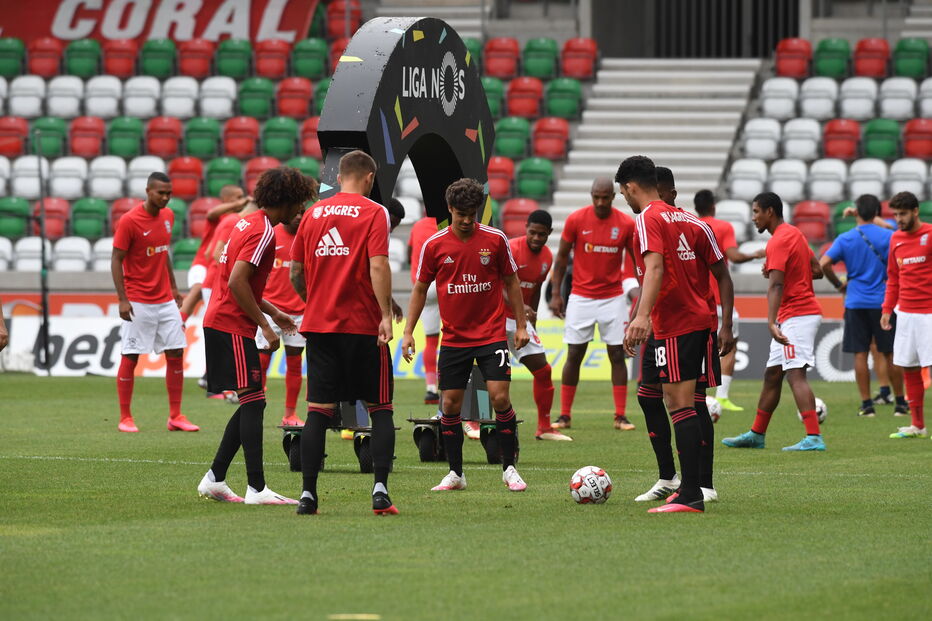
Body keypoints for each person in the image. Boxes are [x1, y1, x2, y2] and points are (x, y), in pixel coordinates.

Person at [618, 156, 733, 514]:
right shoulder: (692, 221)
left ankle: (692, 493)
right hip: (695, 322)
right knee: (677, 400)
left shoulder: (647, 218)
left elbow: (654, 268)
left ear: (630, 187)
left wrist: (641, 316)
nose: (624, 197)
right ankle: (684, 485)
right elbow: (718, 273)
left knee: (681, 404)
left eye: (623, 192)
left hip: (676, 324)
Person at [403, 178, 531, 493]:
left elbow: (512, 282)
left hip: (491, 334)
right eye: (460, 214)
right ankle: (456, 473)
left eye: (471, 214)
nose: (465, 220)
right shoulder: (434, 245)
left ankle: (509, 469)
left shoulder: (495, 239)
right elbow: (419, 289)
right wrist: (407, 331)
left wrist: (522, 325)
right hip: (454, 339)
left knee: (500, 398)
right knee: (449, 405)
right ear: (449, 209)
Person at [197, 166, 314, 505]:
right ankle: (256, 488)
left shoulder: (246, 223)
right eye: (300, 202)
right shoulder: (264, 232)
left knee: (253, 400)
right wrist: (264, 324)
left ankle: (215, 479)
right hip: (230, 323)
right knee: (254, 400)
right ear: (287, 199)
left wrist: (273, 312)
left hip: (223, 319)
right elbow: (236, 282)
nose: (301, 210)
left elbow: (239, 281)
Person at [289, 150, 398, 516]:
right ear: (369, 178)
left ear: (338, 177)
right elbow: (378, 265)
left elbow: (294, 272)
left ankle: (308, 495)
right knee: (380, 408)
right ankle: (380, 492)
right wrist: (386, 315)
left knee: (318, 411)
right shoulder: (374, 212)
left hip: (320, 327)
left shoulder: (312, 214)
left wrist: (314, 302)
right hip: (363, 326)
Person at [722, 192, 827, 452]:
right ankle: (757, 434)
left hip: (797, 315)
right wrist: (783, 269)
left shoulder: (778, 241)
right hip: (796, 314)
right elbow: (817, 271)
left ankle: (814, 436)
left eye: (756, 211)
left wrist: (771, 322)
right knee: (772, 375)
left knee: (795, 374)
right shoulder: (794, 234)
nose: (753, 217)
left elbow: (776, 285)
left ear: (770, 211)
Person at [111, 172, 198, 433]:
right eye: (161, 192)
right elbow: (116, 259)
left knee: (176, 353)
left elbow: (163, 252)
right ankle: (125, 417)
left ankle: (176, 416)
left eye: (169, 193)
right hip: (138, 300)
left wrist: (173, 287)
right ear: (148, 191)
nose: (166, 197)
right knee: (131, 355)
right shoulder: (129, 221)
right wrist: (122, 299)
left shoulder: (168, 216)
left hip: (165, 300)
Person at [548, 177, 638, 431]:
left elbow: (637, 260)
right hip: (581, 296)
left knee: (617, 354)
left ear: (613, 197)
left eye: (605, 197)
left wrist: (641, 292)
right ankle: (564, 415)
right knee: (574, 354)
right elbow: (561, 258)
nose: (600, 202)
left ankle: (620, 416)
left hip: (613, 297)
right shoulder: (576, 220)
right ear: (591, 195)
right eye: (596, 197)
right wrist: (556, 293)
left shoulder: (625, 223)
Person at [820, 194, 907, 417]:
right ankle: (900, 403)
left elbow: (824, 264)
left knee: (860, 353)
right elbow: (898, 234)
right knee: (890, 353)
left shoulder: (846, 238)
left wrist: (839, 285)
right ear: (877, 213)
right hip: (883, 302)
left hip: (855, 302)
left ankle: (867, 405)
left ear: (857, 212)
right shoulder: (889, 236)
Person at [692, 189, 765, 412]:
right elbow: (733, 256)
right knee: (729, 345)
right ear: (714, 206)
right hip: (719, 299)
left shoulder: (690, 226)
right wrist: (755, 254)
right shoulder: (723, 227)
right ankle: (721, 396)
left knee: (695, 346)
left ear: (696, 208)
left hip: (695, 300)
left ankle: (695, 395)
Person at [255, 178, 318, 427]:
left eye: (303, 213)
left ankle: (290, 414)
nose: (299, 217)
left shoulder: (309, 238)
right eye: (297, 212)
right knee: (262, 358)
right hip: (270, 308)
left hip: (299, 312)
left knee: (295, 361)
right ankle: (255, 408)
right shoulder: (270, 234)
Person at [506, 209, 570, 441]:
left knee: (543, 371)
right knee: (488, 371)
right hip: (496, 318)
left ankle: (544, 427)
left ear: (549, 233)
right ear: (526, 228)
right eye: (532, 232)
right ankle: (472, 422)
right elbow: (497, 285)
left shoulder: (546, 257)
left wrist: (531, 323)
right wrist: (519, 305)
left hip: (520, 321)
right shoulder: (511, 249)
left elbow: (535, 290)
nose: (536, 238)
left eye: (541, 234)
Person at [881, 191, 932, 439]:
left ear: (915, 211)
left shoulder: (930, 234)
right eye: (896, 215)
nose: (899, 219)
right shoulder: (896, 239)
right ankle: (918, 426)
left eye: (903, 214)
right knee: (909, 368)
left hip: (929, 313)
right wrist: (886, 309)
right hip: (906, 313)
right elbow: (893, 277)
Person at [179, 185, 250, 320]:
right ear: (226, 199)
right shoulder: (220, 217)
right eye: (238, 197)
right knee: (197, 290)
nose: (242, 200)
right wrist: (240, 203)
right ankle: (179, 322)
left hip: (215, 264)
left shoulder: (239, 220)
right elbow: (211, 214)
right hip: (203, 262)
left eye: (242, 197)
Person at [408, 210, 442, 404]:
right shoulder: (446, 223)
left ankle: (431, 389)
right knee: (453, 336)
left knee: (431, 341)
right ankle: (449, 384)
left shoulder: (417, 225)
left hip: (422, 287)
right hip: (443, 283)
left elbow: (410, 251)